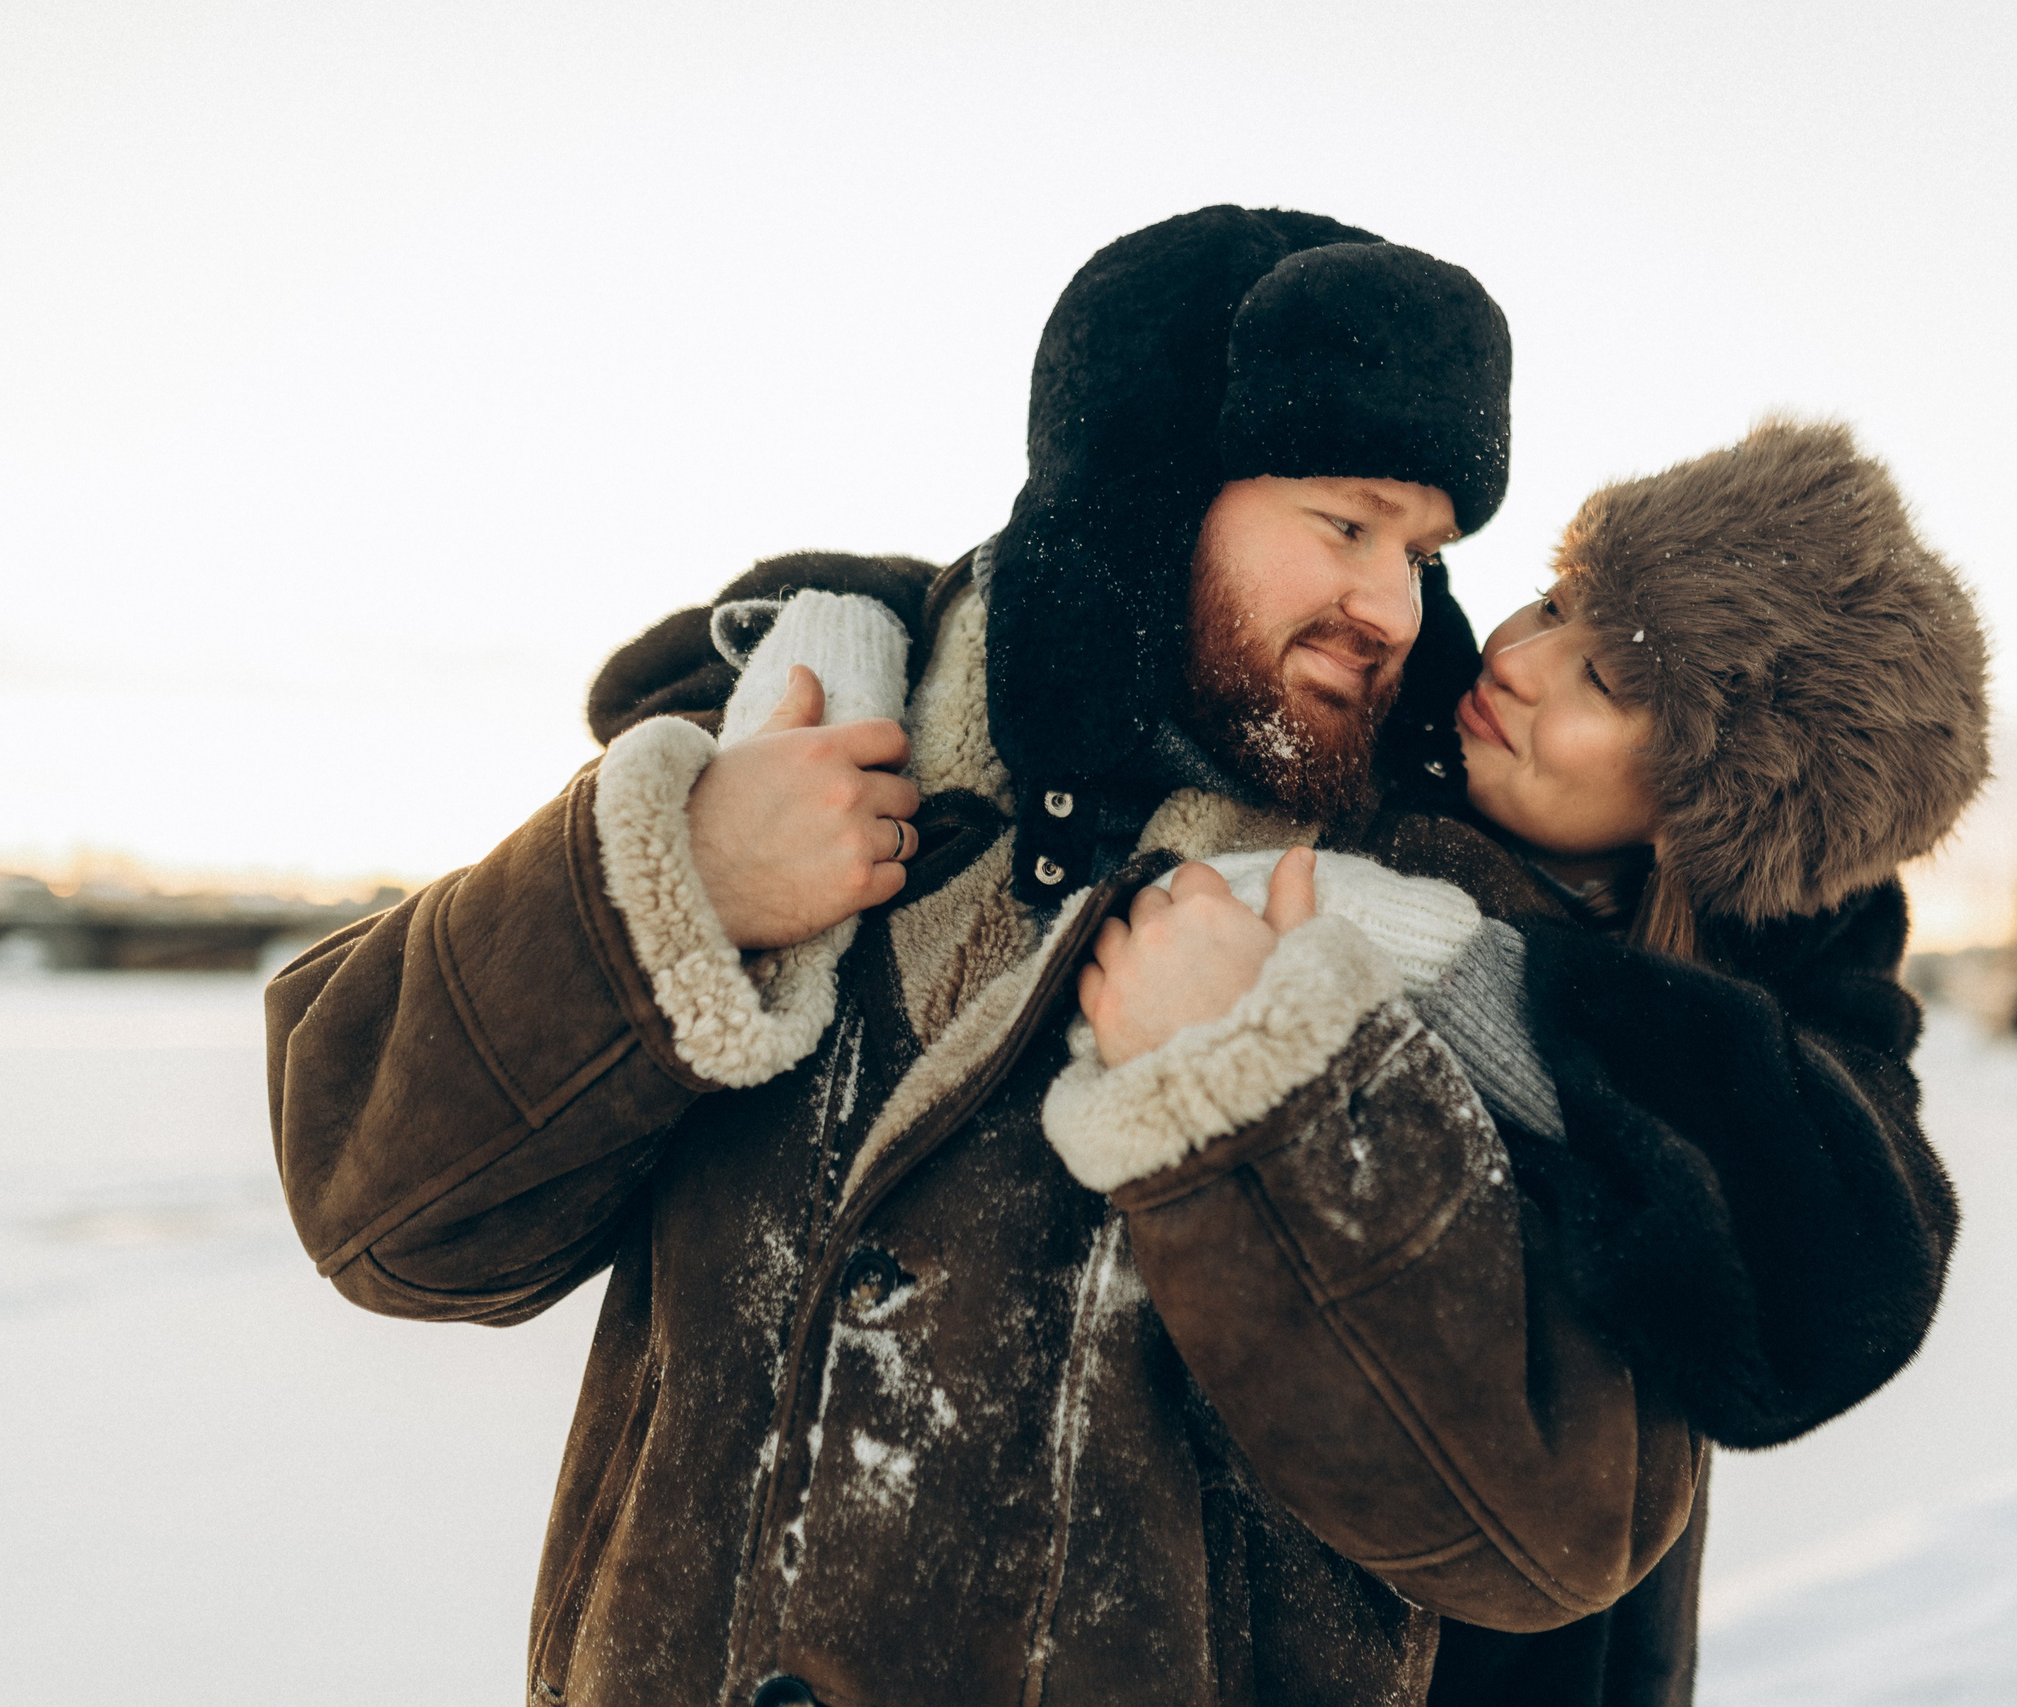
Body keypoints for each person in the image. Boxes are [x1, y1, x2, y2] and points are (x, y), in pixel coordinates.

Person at [270, 205, 1710, 1707]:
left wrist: (1266, 1105)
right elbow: (379, 1212)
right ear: (1152, 493)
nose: (1395, 610)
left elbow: (1556, 1531)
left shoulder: (1424, 922)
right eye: (1346, 526)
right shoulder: (784, 723)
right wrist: (679, 884)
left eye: (1423, 552)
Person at [706, 418, 1990, 1704]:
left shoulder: (1761, 1023)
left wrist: (1457, 973)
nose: (1521, 657)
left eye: (1601, 678)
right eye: (1552, 599)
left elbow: (1835, 1279)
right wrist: (849, 634)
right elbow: (1082, 601)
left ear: (1712, 806)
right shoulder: (1389, 730)